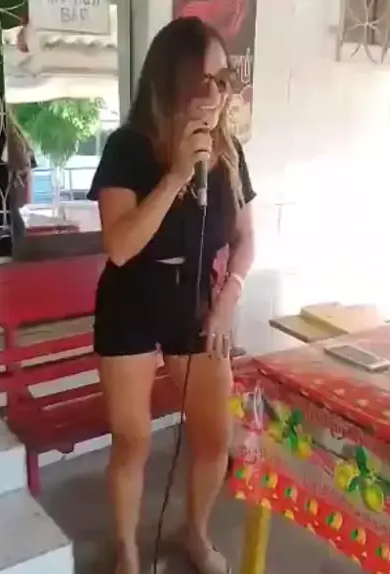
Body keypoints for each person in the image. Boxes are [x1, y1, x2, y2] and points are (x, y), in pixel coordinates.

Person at [88, 16, 255, 574]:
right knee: (133, 440)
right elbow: (119, 246)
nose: (215, 94)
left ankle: (195, 533)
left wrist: (228, 297)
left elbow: (246, 238)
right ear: (169, 80)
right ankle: (127, 552)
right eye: (201, 80)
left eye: (222, 79)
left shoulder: (228, 151)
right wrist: (177, 174)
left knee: (214, 436)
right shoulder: (127, 147)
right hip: (132, 298)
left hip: (197, 301)